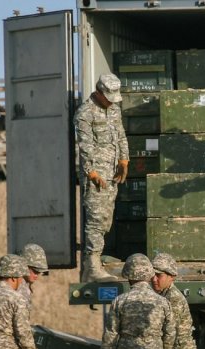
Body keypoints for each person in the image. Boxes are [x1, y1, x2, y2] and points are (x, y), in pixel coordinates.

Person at [75, 72, 129, 282]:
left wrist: (124, 160)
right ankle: (92, 266)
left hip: (111, 174)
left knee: (105, 220)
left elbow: (120, 134)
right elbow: (84, 147)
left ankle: (95, 261)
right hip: (96, 177)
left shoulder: (113, 109)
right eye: (108, 97)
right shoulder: (85, 113)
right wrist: (92, 173)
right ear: (99, 93)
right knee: (96, 221)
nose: (112, 101)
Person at [17, 243, 49, 309]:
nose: (36, 275)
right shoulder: (17, 287)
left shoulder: (24, 286)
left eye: (39, 272)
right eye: (35, 271)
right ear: (24, 266)